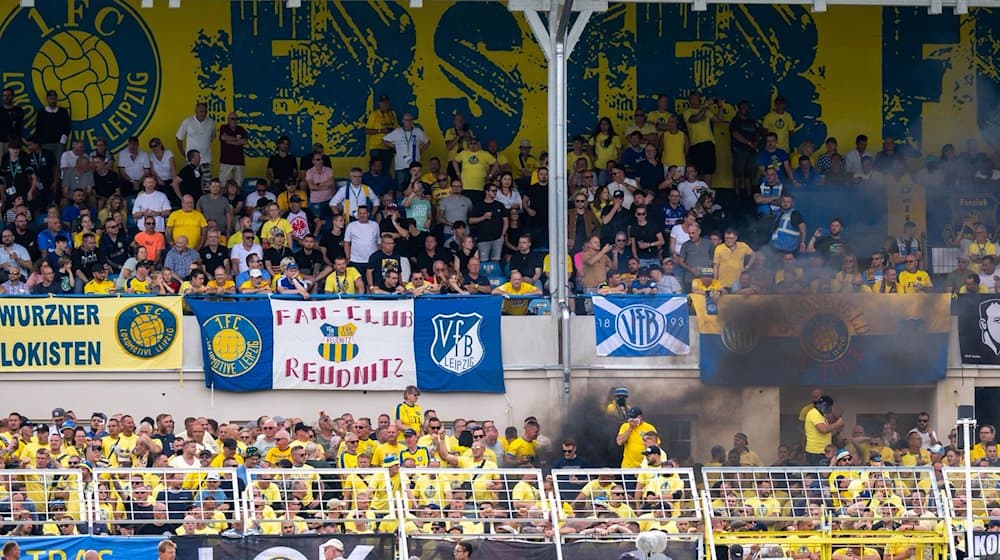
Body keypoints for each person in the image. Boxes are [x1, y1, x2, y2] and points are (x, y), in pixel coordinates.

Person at [682, 92, 723, 182]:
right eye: (694, 98)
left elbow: (719, 120)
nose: (697, 100)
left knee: (708, 172)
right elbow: (695, 119)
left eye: (698, 98)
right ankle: (697, 194)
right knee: (698, 172)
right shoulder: (687, 112)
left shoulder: (706, 111)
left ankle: (707, 195)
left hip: (708, 143)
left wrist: (720, 107)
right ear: (690, 100)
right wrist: (706, 105)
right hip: (696, 144)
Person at [382, 112, 430, 188]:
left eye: (411, 120)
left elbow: (427, 142)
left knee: (415, 186)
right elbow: (384, 140)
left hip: (414, 165)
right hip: (401, 165)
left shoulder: (418, 131)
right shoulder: (397, 131)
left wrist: (419, 152)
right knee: (401, 187)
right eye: (407, 120)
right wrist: (395, 147)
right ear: (403, 121)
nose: (409, 122)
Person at [175, 102, 215, 186]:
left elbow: (212, 137)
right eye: (200, 111)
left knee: (207, 185)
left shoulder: (211, 122)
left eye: (205, 111)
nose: (203, 113)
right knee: (190, 184)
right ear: (195, 111)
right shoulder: (188, 121)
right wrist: (183, 152)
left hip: (206, 160)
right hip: (191, 161)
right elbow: (178, 137)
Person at [803, 395, 844, 465]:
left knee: (824, 474)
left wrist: (837, 430)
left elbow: (826, 433)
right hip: (815, 452)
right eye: (829, 406)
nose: (830, 409)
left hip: (823, 451)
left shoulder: (822, 416)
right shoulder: (814, 413)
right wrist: (837, 424)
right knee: (818, 474)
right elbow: (823, 429)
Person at [218, 112, 248, 187]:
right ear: (228, 120)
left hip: (239, 162)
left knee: (238, 185)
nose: (234, 120)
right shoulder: (224, 127)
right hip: (226, 161)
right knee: (224, 184)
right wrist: (238, 139)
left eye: (236, 119)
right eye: (232, 118)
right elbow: (224, 138)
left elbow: (245, 141)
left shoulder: (241, 129)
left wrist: (231, 142)